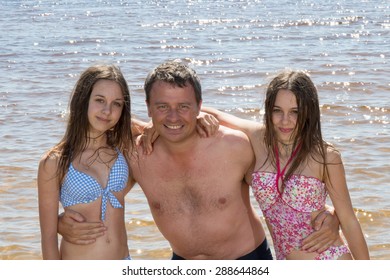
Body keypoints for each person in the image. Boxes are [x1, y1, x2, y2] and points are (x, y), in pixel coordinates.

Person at [57, 61, 340, 260]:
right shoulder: (137, 155)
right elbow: (103, 198)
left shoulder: (234, 146)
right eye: (162, 107)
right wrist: (61, 223)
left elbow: (289, 181)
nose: (173, 117)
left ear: (199, 107)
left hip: (247, 261)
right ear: (148, 109)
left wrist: (331, 214)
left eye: (183, 107)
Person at [202, 70, 370, 259]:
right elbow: (210, 113)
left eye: (295, 112)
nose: (285, 121)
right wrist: (200, 117)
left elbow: (349, 221)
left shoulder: (325, 157)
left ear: (308, 112)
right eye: (277, 111)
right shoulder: (258, 138)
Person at [37, 64, 134, 259]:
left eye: (117, 103)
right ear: (83, 100)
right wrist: (58, 223)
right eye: (100, 100)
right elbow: (48, 238)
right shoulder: (55, 161)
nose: (107, 111)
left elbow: (161, 127)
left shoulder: (123, 148)